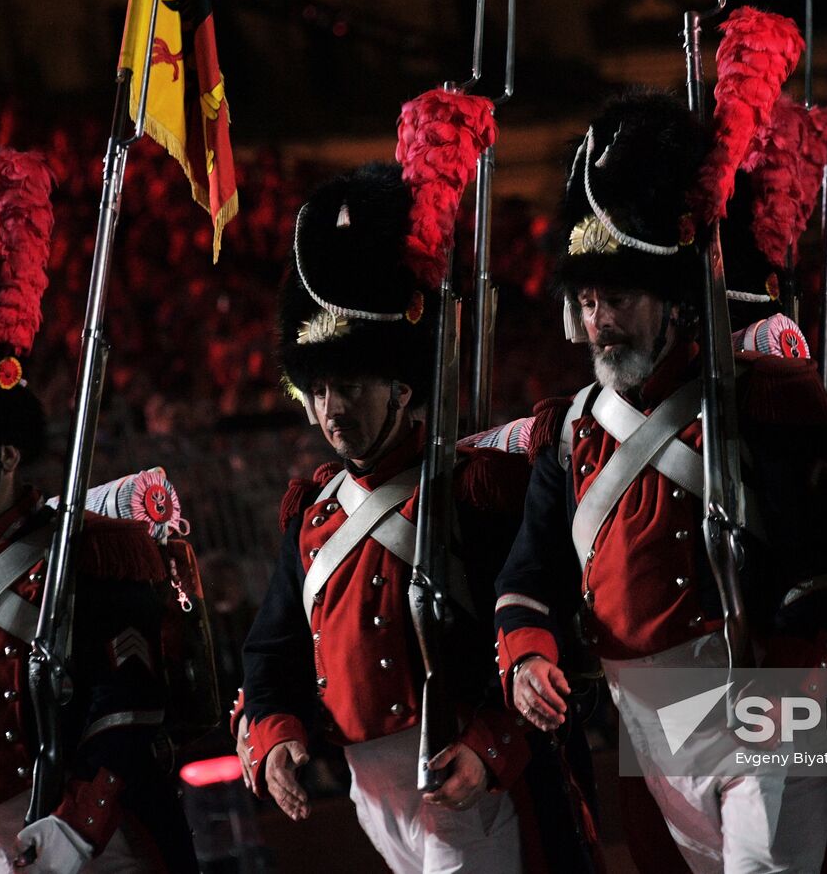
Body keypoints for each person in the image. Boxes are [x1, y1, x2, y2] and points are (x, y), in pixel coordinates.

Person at [493, 91, 827, 873]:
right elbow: (530, 574)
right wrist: (527, 653)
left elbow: (818, 563)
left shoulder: (754, 399)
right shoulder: (572, 432)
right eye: (589, 301)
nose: (600, 321)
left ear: (670, 298)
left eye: (618, 298)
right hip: (649, 733)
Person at [233, 163, 600, 874]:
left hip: (466, 778)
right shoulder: (312, 519)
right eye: (321, 387)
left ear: (402, 388)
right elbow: (271, 652)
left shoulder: (473, 493)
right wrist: (275, 738)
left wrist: (493, 748)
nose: (333, 408)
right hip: (373, 796)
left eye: (353, 385)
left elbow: (542, 627)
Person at [0, 152, 197, 873]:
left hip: (95, 842)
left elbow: (130, 701)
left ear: (9, 453)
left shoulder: (90, 554)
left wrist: (79, 824)